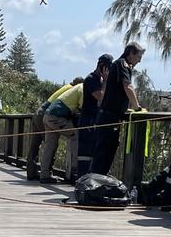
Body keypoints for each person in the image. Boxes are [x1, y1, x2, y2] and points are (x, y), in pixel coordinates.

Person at [90, 43, 145, 175]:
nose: (140, 60)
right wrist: (137, 107)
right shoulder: (122, 64)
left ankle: (99, 182)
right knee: (103, 152)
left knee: (108, 150)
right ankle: (94, 185)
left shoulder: (121, 65)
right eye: (138, 56)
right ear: (131, 53)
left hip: (112, 116)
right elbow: (128, 86)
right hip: (109, 116)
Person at [39, 78, 85, 183]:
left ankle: (44, 175)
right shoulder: (83, 88)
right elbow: (83, 108)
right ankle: (75, 169)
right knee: (75, 135)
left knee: (50, 146)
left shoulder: (74, 88)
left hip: (48, 116)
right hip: (55, 117)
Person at [77, 54, 111, 177]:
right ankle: (82, 180)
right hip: (88, 121)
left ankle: (91, 180)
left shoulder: (99, 81)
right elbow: (101, 98)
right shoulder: (91, 79)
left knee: (93, 153)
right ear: (102, 67)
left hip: (94, 120)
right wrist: (106, 81)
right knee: (85, 154)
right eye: (107, 69)